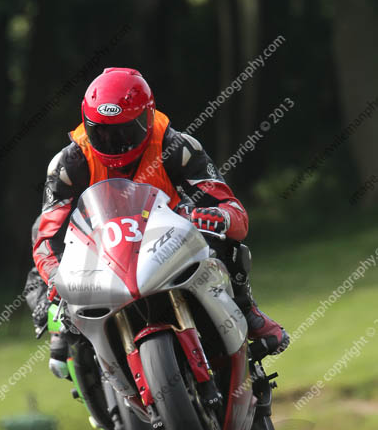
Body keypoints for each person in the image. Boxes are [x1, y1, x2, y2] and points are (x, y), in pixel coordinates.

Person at [28, 67, 289, 377]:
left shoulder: (176, 147)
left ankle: (248, 311)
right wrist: (57, 277)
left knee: (223, 243)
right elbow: (48, 236)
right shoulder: (69, 163)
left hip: (166, 241)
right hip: (99, 252)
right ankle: (68, 343)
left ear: (148, 119)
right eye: (102, 132)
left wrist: (218, 217)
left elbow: (230, 208)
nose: (115, 144)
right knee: (45, 286)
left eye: (126, 132)